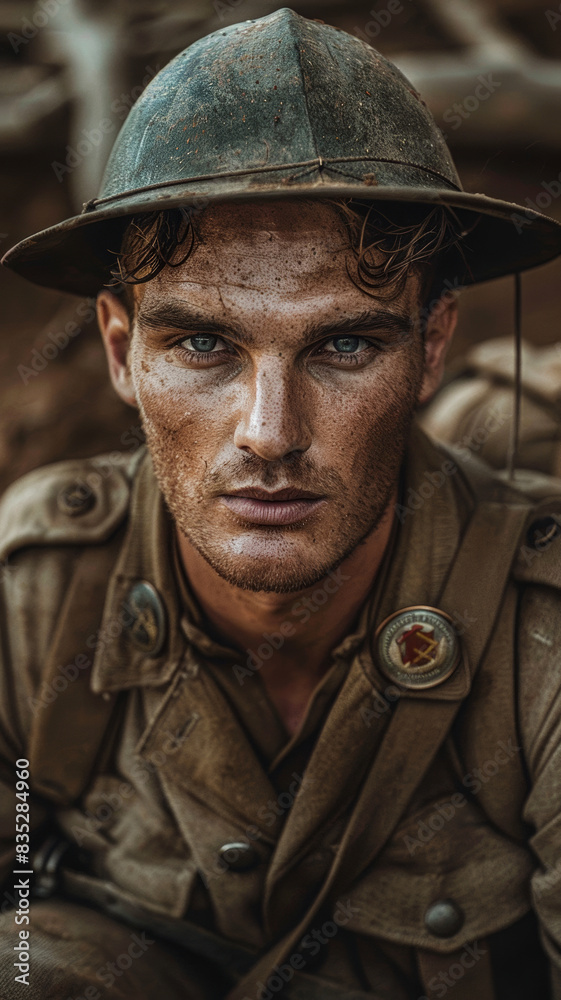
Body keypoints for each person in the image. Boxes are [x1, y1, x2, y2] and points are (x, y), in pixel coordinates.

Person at [1, 8, 561, 1000]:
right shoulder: (37, 591)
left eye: (344, 346)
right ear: (120, 350)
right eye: (204, 346)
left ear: (433, 347)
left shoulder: (541, 633)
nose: (269, 431)